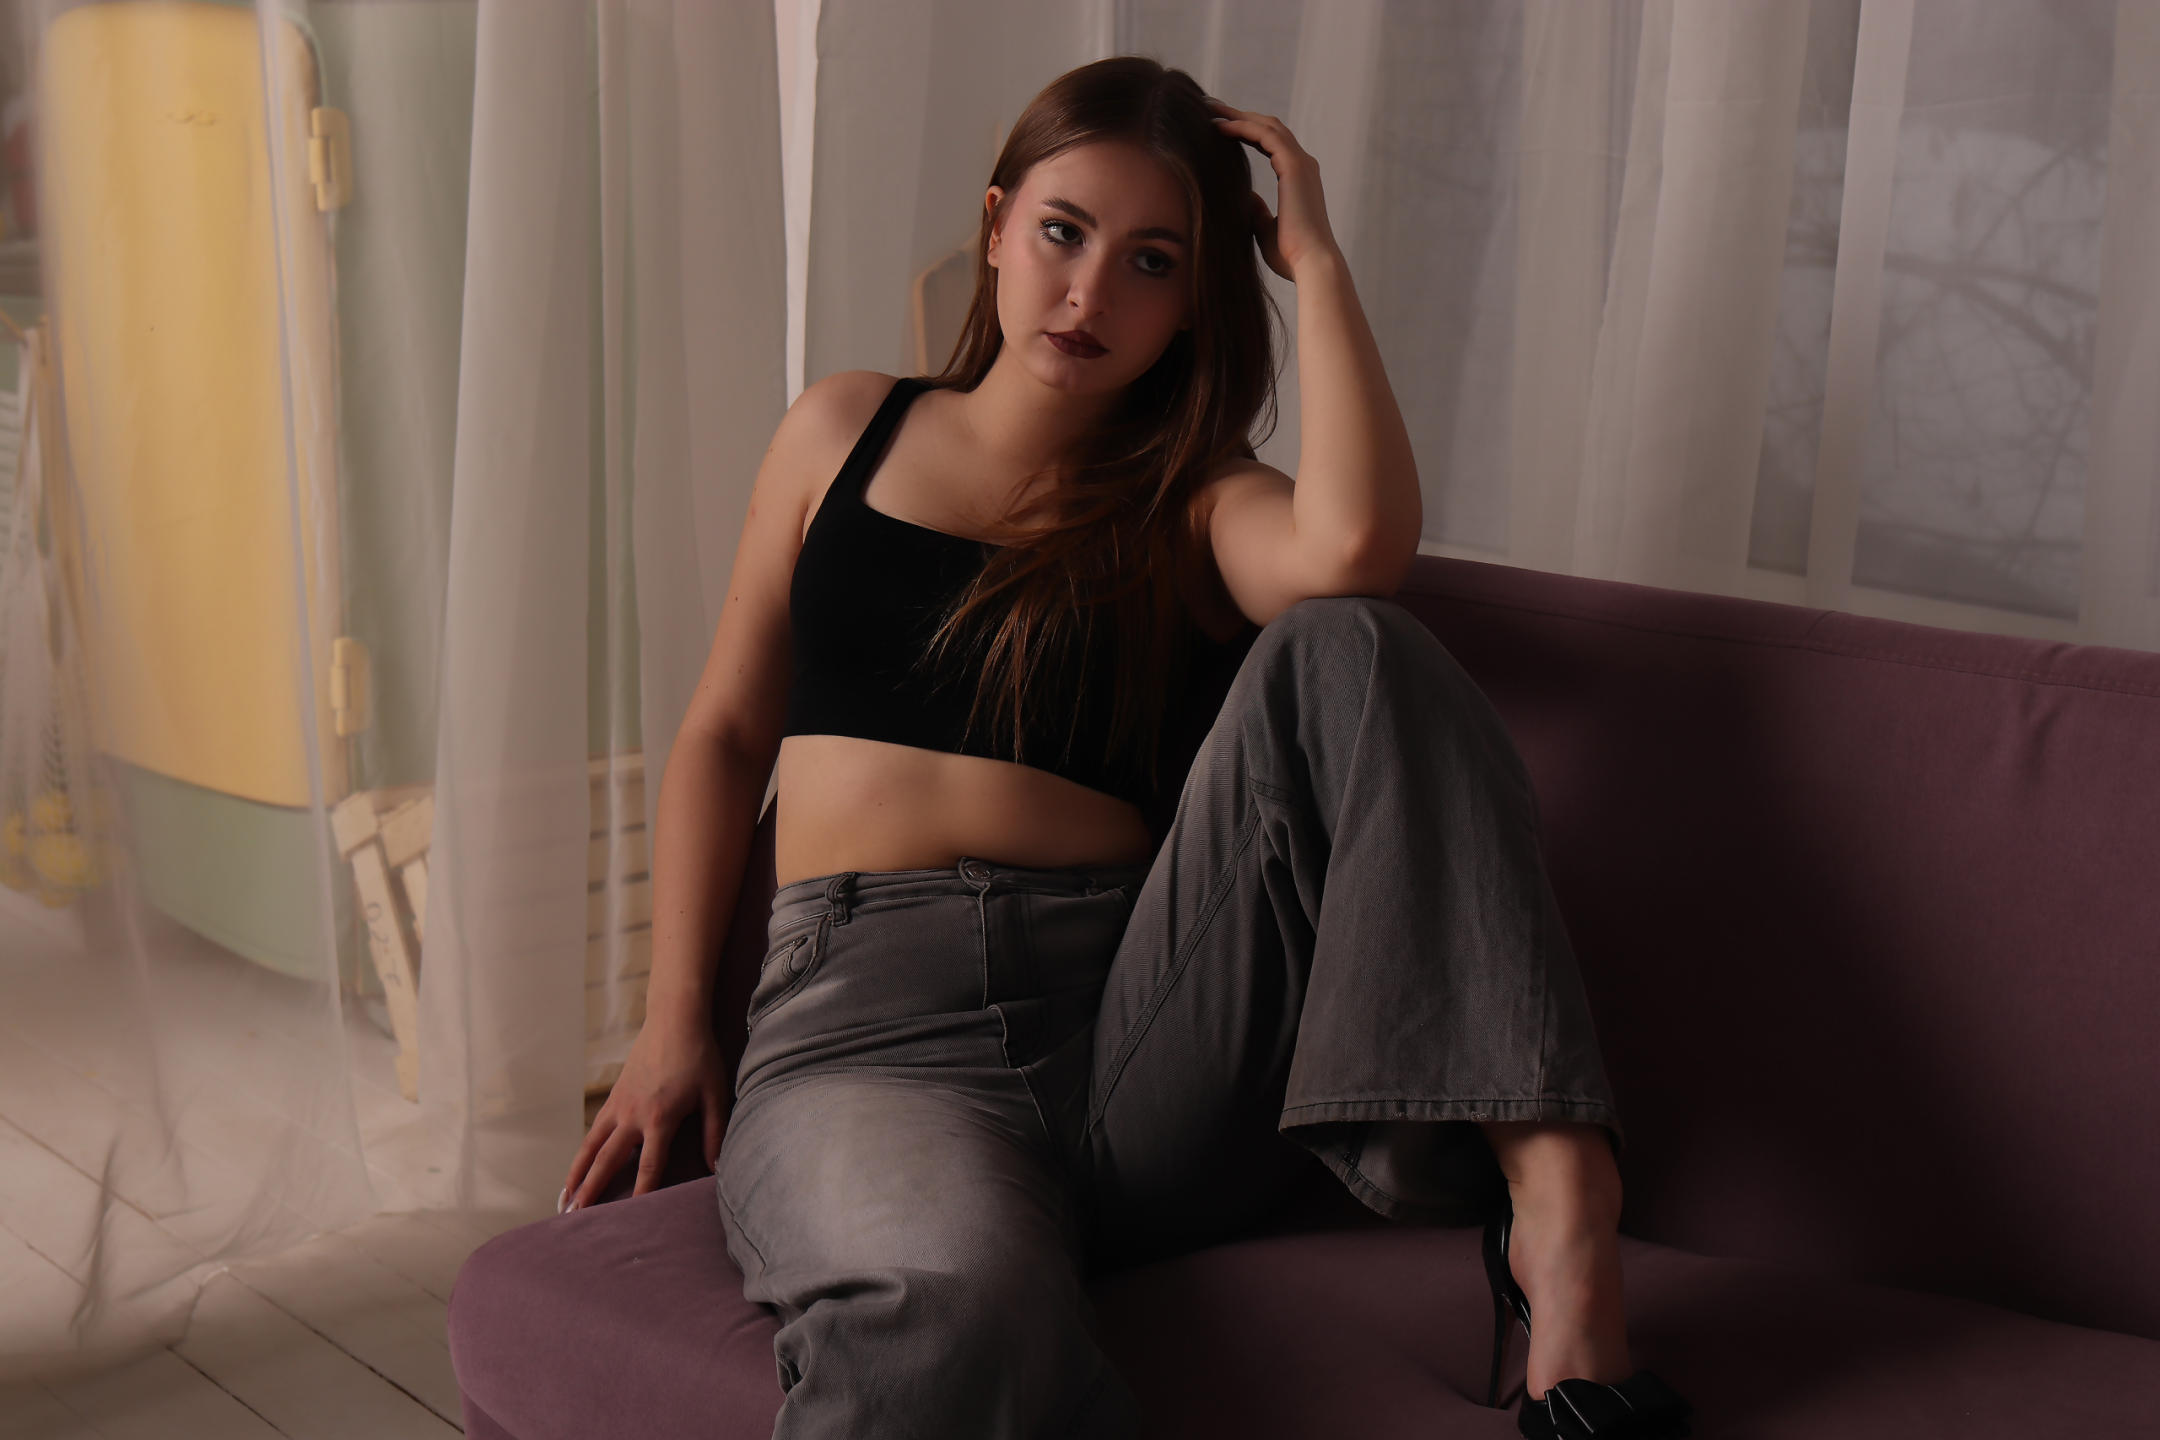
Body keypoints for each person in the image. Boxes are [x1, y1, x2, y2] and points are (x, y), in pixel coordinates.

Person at [557, 55, 1692, 1440]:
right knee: (946, 1310)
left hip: (1143, 1037)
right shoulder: (842, 431)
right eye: (1063, 232)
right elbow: (728, 732)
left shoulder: (1200, 503)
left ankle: (1560, 1201)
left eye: (1153, 262)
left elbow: (1353, 552)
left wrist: (1318, 260)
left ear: (1197, 299)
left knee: (1351, 642)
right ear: (995, 227)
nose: (1091, 292)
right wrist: (674, 1019)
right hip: (873, 1037)